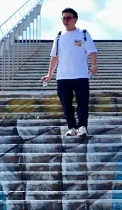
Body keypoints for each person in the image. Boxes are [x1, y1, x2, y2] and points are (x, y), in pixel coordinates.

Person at [41, 8, 98, 138]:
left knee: (82, 103)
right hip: (63, 77)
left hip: (81, 76)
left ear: (75, 19)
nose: (66, 21)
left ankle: (82, 127)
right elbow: (54, 57)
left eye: (68, 18)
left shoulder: (83, 33)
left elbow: (93, 51)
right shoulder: (59, 36)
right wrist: (49, 75)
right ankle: (71, 127)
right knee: (66, 105)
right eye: (63, 18)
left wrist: (94, 66)